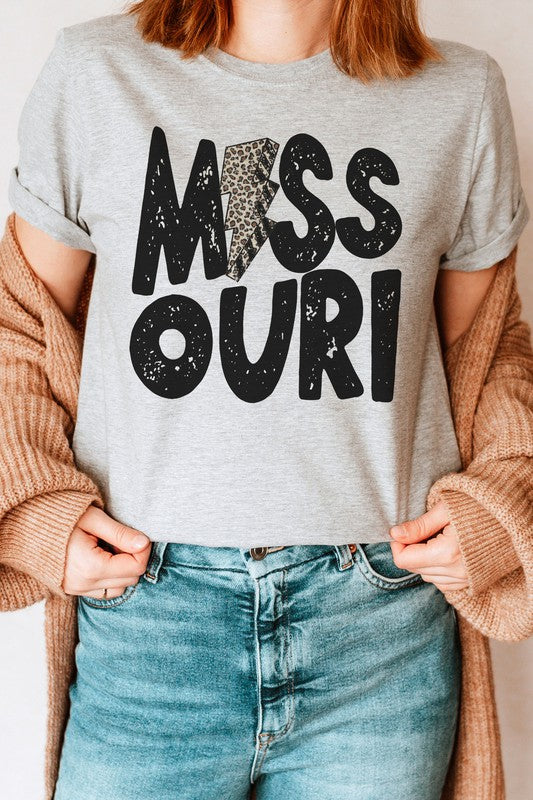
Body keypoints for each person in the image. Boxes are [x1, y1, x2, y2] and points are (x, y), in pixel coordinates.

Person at [5, 1, 530, 798]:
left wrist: (495, 507)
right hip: (151, 622)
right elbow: (19, 322)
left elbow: (485, 353)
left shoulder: (457, 94)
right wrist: (38, 509)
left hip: (377, 635)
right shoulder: (96, 74)